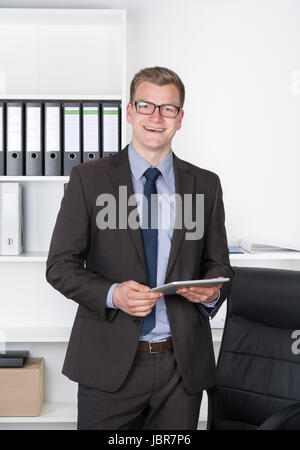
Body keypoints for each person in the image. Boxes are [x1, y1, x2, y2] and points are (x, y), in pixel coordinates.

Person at [46, 66, 234, 430]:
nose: (156, 117)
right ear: (130, 111)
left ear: (180, 119)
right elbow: (60, 266)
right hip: (109, 363)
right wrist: (113, 294)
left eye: (168, 109)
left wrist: (211, 291)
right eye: (146, 106)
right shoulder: (90, 179)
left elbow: (218, 266)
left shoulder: (205, 185)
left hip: (180, 368)